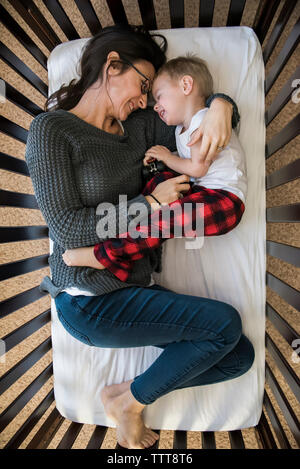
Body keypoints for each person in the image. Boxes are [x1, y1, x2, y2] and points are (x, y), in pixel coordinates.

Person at [25, 24, 254, 450]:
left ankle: (125, 394)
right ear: (113, 66)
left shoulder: (142, 127)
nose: (146, 101)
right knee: (225, 328)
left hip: (134, 283)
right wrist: (146, 206)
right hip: (88, 299)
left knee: (239, 356)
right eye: (143, 85)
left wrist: (224, 104)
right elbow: (68, 230)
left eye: (151, 94)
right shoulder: (52, 131)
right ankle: (128, 402)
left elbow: (197, 122)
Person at [62, 55, 247, 279]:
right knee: (157, 181)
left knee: (161, 222)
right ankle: (130, 247)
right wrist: (160, 164)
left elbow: (198, 169)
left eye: (158, 97)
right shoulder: (180, 128)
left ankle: (105, 254)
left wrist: (221, 105)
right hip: (204, 192)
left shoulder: (202, 121)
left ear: (186, 85)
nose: (153, 105)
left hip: (225, 201)